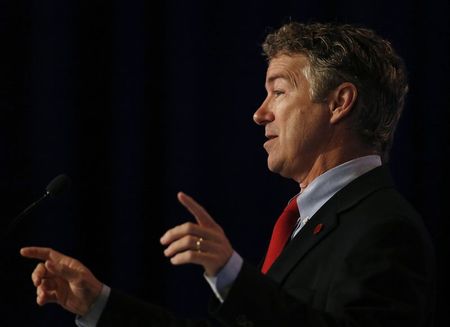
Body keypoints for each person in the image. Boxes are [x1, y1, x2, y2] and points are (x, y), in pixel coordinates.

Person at [21, 21, 435, 326]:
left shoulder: (385, 227)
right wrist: (98, 303)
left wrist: (233, 275)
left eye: (279, 91)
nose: (260, 113)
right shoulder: (310, 222)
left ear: (340, 102)